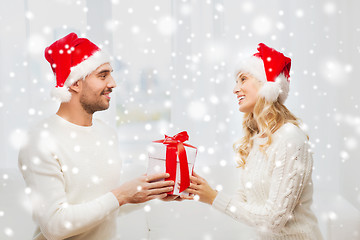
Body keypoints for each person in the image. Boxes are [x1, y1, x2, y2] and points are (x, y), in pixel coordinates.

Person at [18, 32, 175, 240]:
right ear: (75, 83)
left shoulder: (106, 134)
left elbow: (102, 206)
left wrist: (150, 193)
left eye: (111, 74)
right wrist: (121, 195)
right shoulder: (39, 141)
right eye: (103, 75)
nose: (113, 83)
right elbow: (55, 226)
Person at [182, 43, 323, 239]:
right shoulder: (258, 139)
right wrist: (204, 190)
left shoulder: (290, 139)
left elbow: (274, 220)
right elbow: (244, 200)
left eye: (243, 79)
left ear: (266, 86)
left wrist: (214, 198)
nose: (235, 89)